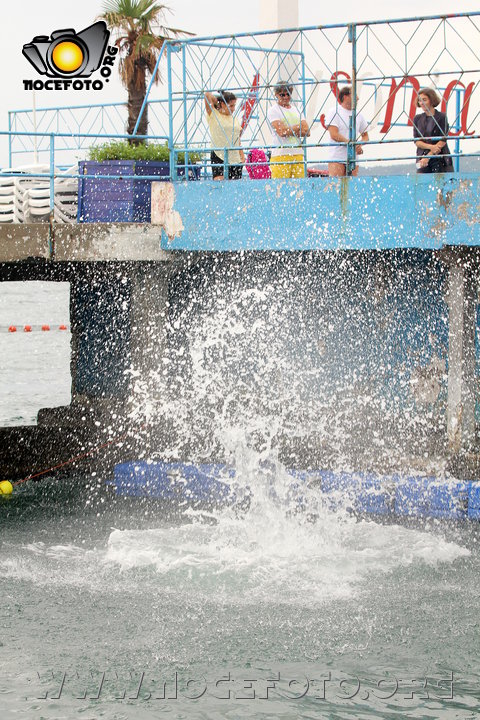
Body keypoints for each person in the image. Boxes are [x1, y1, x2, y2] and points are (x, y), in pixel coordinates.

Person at [267, 81, 310, 179]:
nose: (286, 97)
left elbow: (307, 131)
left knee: (299, 188)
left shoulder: (297, 110)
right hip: (280, 155)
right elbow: (281, 132)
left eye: (288, 94)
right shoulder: (273, 110)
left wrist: (289, 129)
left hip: (298, 154)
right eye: (282, 95)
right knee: (279, 188)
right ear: (276, 95)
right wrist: (298, 126)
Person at [324, 86, 369, 177]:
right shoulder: (334, 111)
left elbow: (366, 136)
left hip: (353, 159)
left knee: (352, 188)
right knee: (336, 186)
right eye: (354, 95)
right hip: (337, 157)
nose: (358, 98)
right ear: (345, 97)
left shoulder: (359, 115)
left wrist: (359, 144)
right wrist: (350, 143)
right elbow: (334, 134)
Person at [204, 90, 244, 180]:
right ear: (222, 104)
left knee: (235, 188)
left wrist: (242, 155)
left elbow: (237, 138)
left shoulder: (234, 119)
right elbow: (207, 95)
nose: (233, 109)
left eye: (234, 105)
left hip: (235, 158)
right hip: (219, 154)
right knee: (220, 186)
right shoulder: (214, 115)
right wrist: (217, 102)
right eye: (231, 105)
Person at [413, 87, 453, 174]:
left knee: (440, 183)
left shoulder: (441, 117)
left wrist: (428, 156)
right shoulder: (417, 118)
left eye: (424, 100)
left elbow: (443, 140)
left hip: (439, 157)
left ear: (431, 100)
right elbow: (417, 141)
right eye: (420, 100)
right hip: (422, 157)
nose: (422, 103)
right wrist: (431, 148)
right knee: (421, 183)